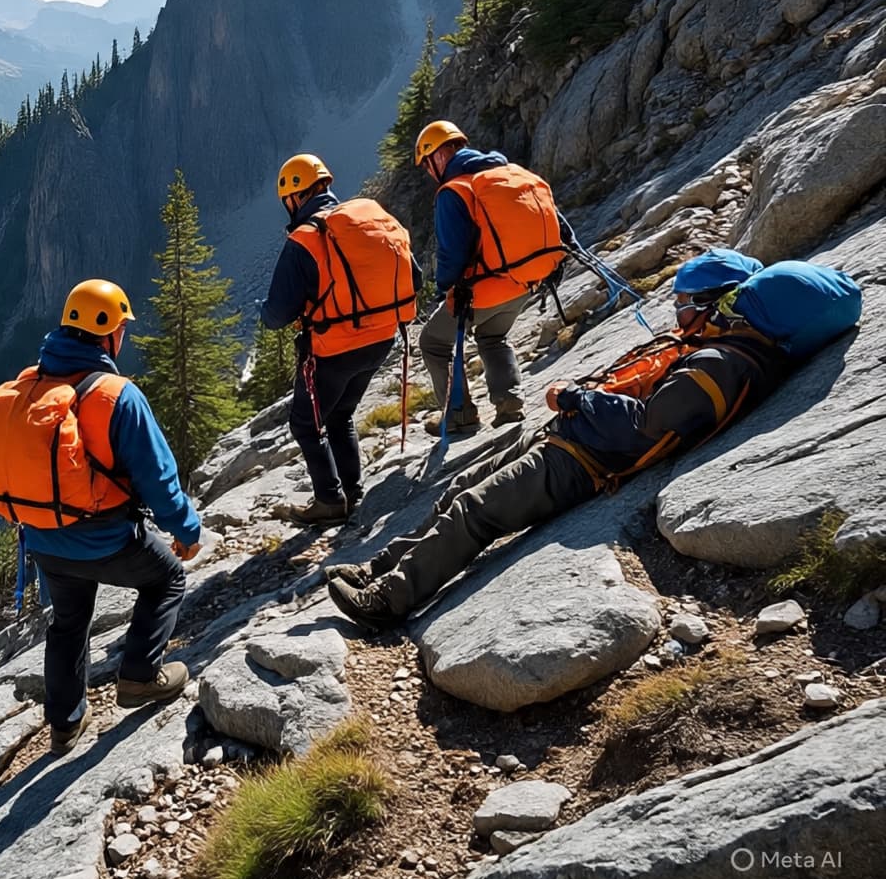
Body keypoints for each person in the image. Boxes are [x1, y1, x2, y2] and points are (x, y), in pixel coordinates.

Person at [325, 249, 785, 630]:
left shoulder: (719, 364)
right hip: (568, 435)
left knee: (474, 510)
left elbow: (645, 424)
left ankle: (388, 601)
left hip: (583, 459)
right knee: (458, 491)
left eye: (683, 300)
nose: (677, 309)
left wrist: (578, 398)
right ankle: (380, 568)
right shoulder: (715, 345)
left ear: (712, 301)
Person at [0, 279, 202, 754]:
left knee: (68, 622)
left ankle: (65, 722)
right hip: (106, 539)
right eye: (122, 328)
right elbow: (158, 478)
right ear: (110, 334)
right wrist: (187, 530)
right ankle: (139, 676)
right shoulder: (117, 396)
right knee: (166, 581)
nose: (124, 336)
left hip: (44, 540)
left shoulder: (30, 385)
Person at [262, 154, 422, 525]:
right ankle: (353, 492)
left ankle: (330, 500)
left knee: (306, 423)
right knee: (341, 414)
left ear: (295, 197)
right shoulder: (369, 219)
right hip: (382, 339)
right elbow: (413, 278)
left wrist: (264, 310)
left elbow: (277, 315)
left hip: (334, 349)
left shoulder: (305, 240)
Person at [412, 120, 573, 438]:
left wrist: (445, 289)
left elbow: (452, 254)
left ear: (439, 155)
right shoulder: (509, 174)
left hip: (483, 290)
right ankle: (509, 402)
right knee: (493, 336)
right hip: (525, 281)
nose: (429, 172)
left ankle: (459, 415)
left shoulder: (454, 191)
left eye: (427, 164)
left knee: (433, 343)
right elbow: (559, 223)